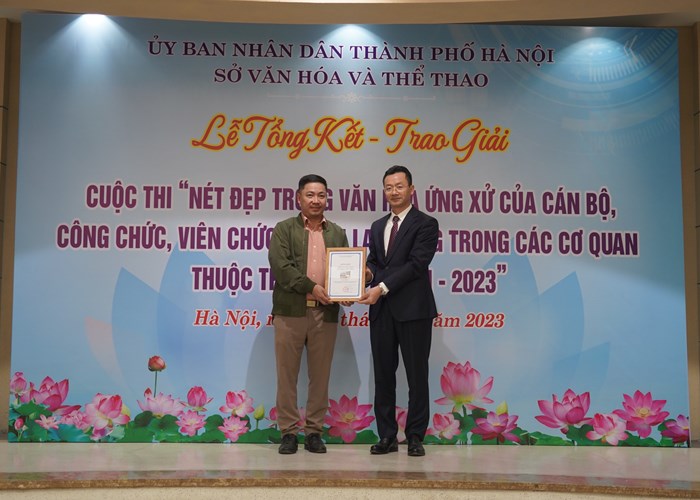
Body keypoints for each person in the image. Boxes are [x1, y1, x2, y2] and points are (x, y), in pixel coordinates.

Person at [359, 165, 439, 457]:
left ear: (411, 189)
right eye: (389, 187)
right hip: (382, 311)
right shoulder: (377, 225)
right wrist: (367, 274)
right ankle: (387, 436)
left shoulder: (426, 223)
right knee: (383, 376)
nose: (394, 192)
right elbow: (376, 260)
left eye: (399, 186)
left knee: (417, 376)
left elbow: (417, 264)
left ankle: (415, 436)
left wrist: (381, 287)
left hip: (413, 310)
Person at [268, 174, 349, 455]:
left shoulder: (337, 232)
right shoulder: (284, 229)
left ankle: (314, 432)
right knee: (286, 376)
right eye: (310, 195)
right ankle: (288, 432)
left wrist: (348, 290)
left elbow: (344, 271)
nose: (316, 200)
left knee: (320, 376)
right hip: (290, 313)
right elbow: (282, 268)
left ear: (327, 198)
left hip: (324, 314)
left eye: (321, 195)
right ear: (299, 198)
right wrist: (312, 287)